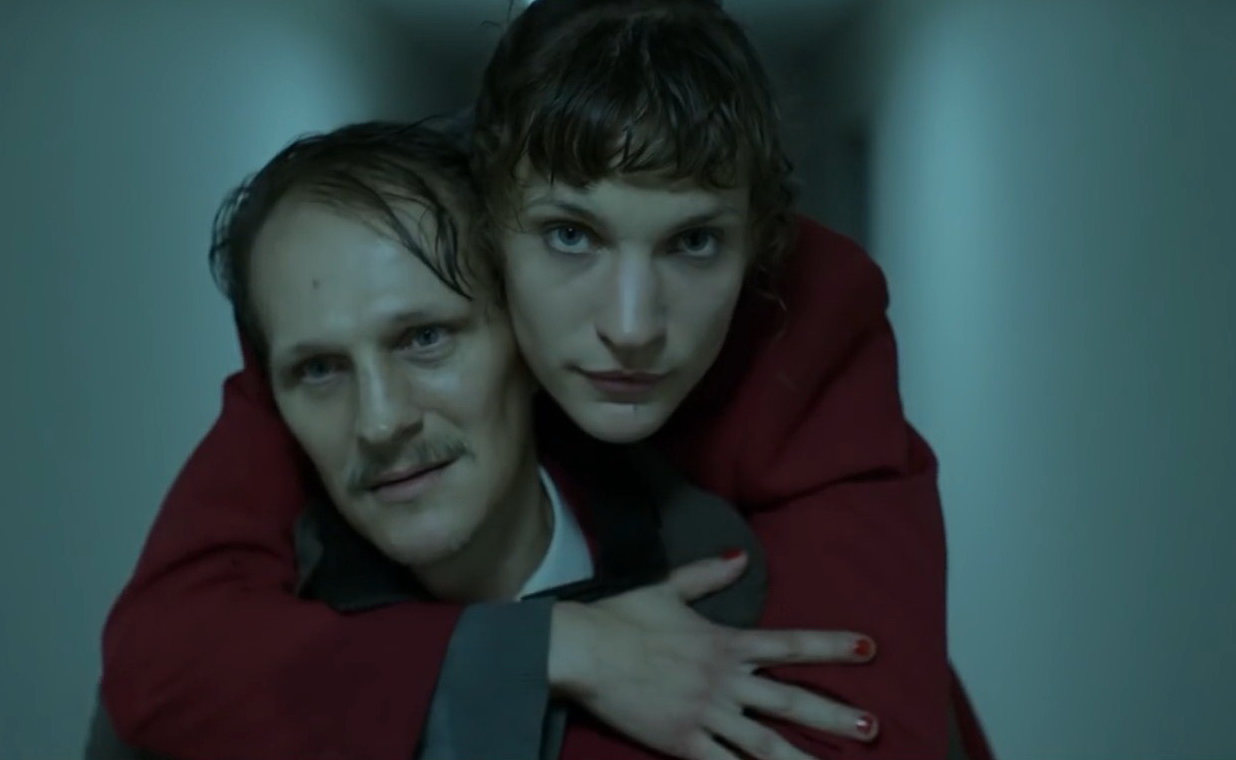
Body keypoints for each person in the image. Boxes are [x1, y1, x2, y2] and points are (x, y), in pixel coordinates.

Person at [100, 0, 994, 760]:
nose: (632, 327)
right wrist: (552, 648)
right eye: (570, 236)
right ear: (489, 234)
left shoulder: (808, 317)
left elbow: (863, 724)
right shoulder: (372, 288)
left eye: (693, 243)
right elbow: (168, 657)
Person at [86, 120, 875, 760]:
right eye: (320, 370)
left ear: (527, 340)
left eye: (425, 339)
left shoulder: (730, 592)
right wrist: (545, 649)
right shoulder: (209, 692)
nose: (380, 421)